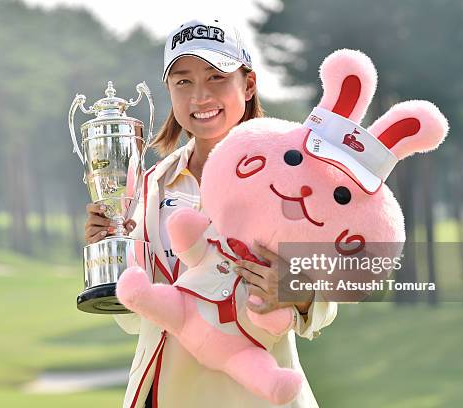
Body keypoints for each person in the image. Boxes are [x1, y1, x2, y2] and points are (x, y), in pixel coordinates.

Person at [84, 19, 337, 408]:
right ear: (168, 90)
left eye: (216, 77)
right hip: (165, 393)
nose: (200, 97)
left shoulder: (287, 179)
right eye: (183, 82)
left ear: (248, 84)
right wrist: (111, 256)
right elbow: (135, 321)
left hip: (259, 393)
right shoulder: (149, 185)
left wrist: (297, 292)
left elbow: (323, 309)